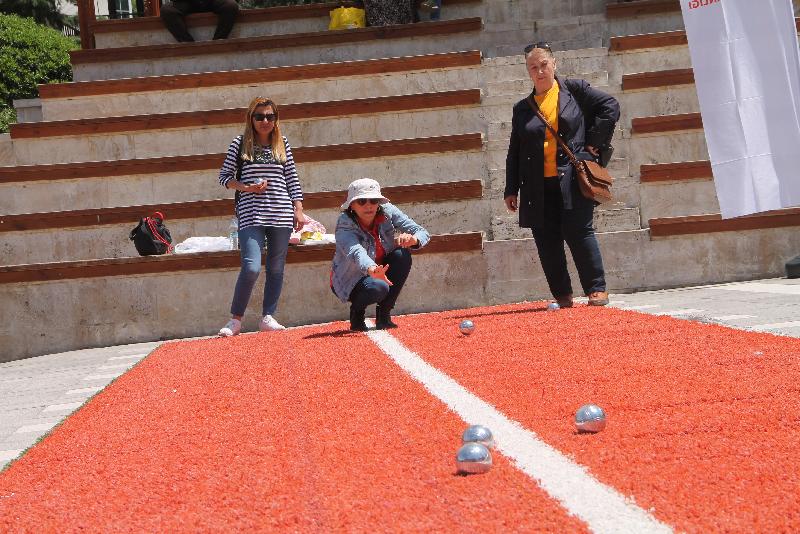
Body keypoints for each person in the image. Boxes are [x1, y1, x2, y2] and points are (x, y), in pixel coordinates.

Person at [504, 42, 620, 307]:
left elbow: (610, 106)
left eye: (544, 64)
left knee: (580, 232)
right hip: (536, 185)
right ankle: (562, 295)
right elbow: (515, 151)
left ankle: (596, 289)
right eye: (533, 67)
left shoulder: (574, 90)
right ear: (528, 71)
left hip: (572, 179)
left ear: (554, 64)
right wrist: (511, 189)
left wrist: (594, 142)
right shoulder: (522, 108)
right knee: (546, 241)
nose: (539, 71)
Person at [218, 97, 304, 337]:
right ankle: (235, 319)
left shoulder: (282, 144)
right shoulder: (239, 144)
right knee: (251, 266)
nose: (265, 121)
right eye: (259, 116)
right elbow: (224, 177)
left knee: (276, 267)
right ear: (251, 118)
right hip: (251, 213)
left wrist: (298, 208)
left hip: (281, 212)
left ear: (276, 119)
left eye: (270, 116)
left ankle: (268, 316)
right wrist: (247, 188)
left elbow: (292, 178)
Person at [331, 178, 430, 331]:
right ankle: (357, 312)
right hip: (350, 279)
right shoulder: (344, 223)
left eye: (374, 200)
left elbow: (422, 232)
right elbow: (355, 251)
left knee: (402, 255)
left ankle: (384, 315)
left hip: (380, 270)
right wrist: (372, 269)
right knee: (378, 286)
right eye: (362, 201)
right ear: (352, 205)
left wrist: (414, 240)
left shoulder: (388, 211)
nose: (369, 205)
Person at [160, 0, 239, 43]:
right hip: (186, 2)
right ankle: (188, 44)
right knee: (167, 10)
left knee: (231, 5)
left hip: (212, 1)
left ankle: (218, 42)